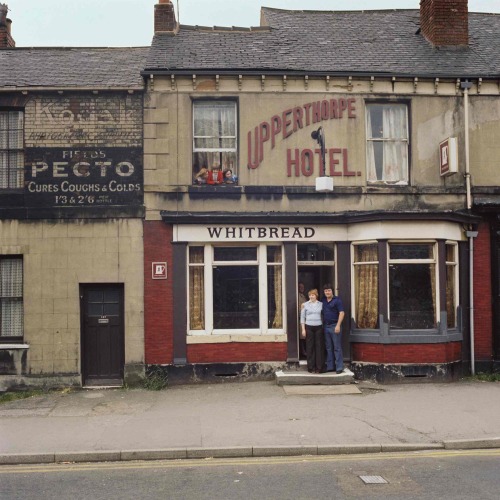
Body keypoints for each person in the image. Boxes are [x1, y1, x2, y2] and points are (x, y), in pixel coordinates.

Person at [321, 283, 345, 374]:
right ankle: (330, 366)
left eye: (329, 290)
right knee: (328, 347)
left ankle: (339, 367)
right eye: (326, 291)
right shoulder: (323, 301)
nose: (327, 292)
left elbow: (342, 313)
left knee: (337, 347)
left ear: (332, 291)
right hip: (326, 326)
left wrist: (338, 325)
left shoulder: (337, 300)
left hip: (335, 326)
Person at [300, 289, 325, 373]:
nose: (311, 296)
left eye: (313, 295)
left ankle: (319, 368)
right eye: (310, 295)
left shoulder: (321, 304)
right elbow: (302, 318)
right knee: (310, 347)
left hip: (319, 327)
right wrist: (303, 329)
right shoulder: (305, 305)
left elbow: (324, 316)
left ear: (316, 295)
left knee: (319, 347)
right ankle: (311, 367)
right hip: (309, 327)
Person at [297, 282, 307, 357]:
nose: (302, 288)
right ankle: (302, 351)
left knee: (304, 336)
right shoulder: (298, 296)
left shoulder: (303, 296)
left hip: (305, 318)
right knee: (301, 336)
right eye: (300, 287)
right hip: (301, 318)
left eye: (303, 287)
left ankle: (304, 351)